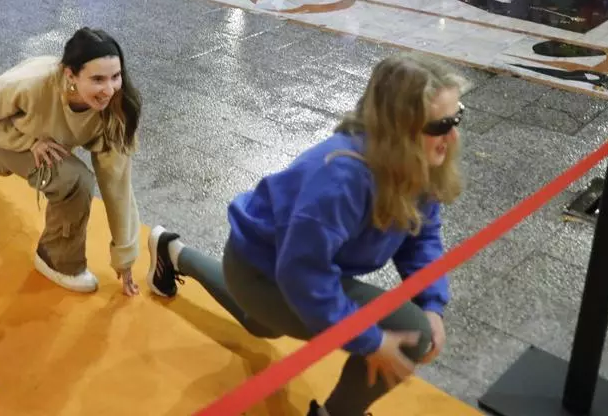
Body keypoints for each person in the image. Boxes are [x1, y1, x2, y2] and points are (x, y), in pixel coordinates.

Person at [147, 53, 463, 416]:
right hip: (261, 269)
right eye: (440, 125)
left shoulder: (418, 163)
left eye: (457, 118)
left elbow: (420, 235)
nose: (452, 135)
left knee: (261, 324)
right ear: (400, 128)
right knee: (410, 331)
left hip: (288, 262)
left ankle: (173, 252)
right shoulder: (340, 179)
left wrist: (432, 303)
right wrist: (372, 340)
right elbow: (303, 275)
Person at [0, 28, 142, 296]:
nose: (109, 89)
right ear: (70, 75)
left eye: (116, 77)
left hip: (40, 137)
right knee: (74, 181)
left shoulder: (116, 109)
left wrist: (125, 258)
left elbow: (117, 184)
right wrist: (29, 142)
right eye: (98, 79)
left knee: (7, 166)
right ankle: (57, 260)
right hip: (12, 132)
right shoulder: (32, 84)